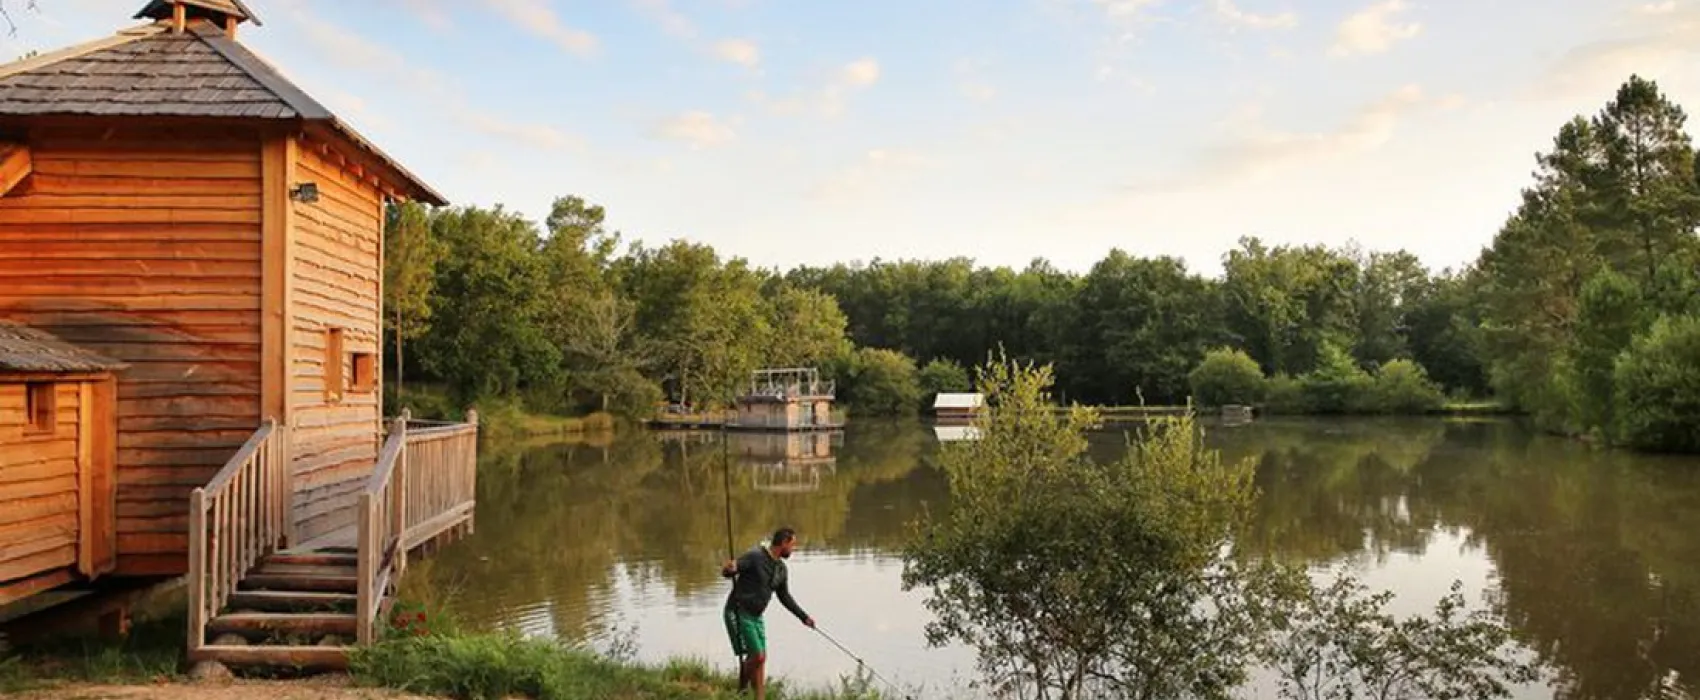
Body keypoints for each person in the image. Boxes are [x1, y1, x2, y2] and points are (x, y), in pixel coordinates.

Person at [721, 527, 815, 699]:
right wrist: (729, 569)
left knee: (761, 659)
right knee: (758, 657)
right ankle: (741, 690)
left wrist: (804, 617)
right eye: (792, 545)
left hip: (756, 617)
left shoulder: (781, 569)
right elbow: (730, 571)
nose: (793, 549)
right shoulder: (755, 556)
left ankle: (760, 697)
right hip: (738, 611)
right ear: (784, 543)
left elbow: (784, 597)